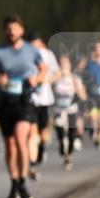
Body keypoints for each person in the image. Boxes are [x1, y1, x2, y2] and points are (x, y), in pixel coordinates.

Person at [0, 15, 47, 198]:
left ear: (22, 29)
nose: (12, 32)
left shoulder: (31, 50)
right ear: (5, 31)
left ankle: (22, 183)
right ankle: (14, 184)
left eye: (15, 28)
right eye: (8, 29)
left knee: (21, 139)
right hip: (5, 101)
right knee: (10, 145)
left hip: (24, 99)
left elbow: (43, 68)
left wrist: (37, 78)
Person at [27, 32, 59, 180]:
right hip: (30, 99)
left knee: (43, 133)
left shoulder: (48, 55)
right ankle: (32, 163)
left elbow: (57, 74)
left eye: (37, 45)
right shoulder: (25, 55)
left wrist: (46, 80)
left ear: (41, 43)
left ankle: (42, 148)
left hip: (45, 99)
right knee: (32, 131)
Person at [52, 54, 87, 171]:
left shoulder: (74, 78)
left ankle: (69, 157)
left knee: (71, 134)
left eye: (66, 63)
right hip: (58, 109)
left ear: (70, 65)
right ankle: (63, 146)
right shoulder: (55, 78)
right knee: (61, 133)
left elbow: (83, 95)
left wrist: (79, 92)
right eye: (61, 63)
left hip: (71, 108)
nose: (64, 65)